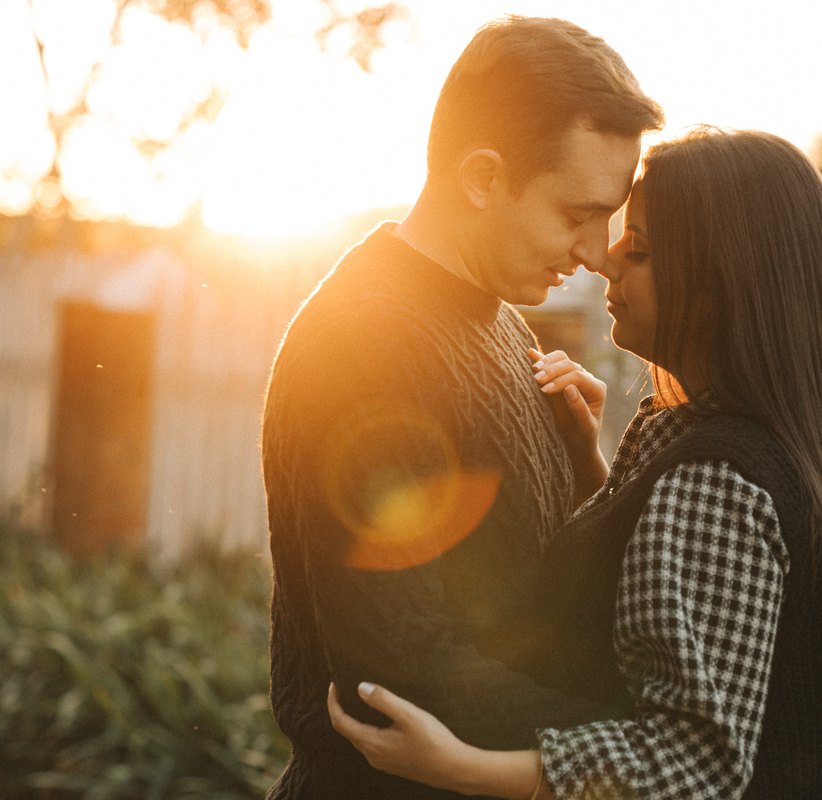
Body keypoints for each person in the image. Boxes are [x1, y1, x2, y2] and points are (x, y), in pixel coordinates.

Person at [328, 128, 822, 799]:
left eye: (641, 248)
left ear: (722, 285)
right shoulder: (751, 447)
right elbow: (655, 605)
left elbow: (689, 765)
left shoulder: (716, 479)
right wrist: (593, 470)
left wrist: (458, 766)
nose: (606, 259)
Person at [261, 15, 664, 800]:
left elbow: (527, 601)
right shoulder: (368, 340)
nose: (596, 251)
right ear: (482, 177)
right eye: (576, 213)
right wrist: (652, 744)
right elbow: (403, 668)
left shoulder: (500, 322)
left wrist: (592, 473)